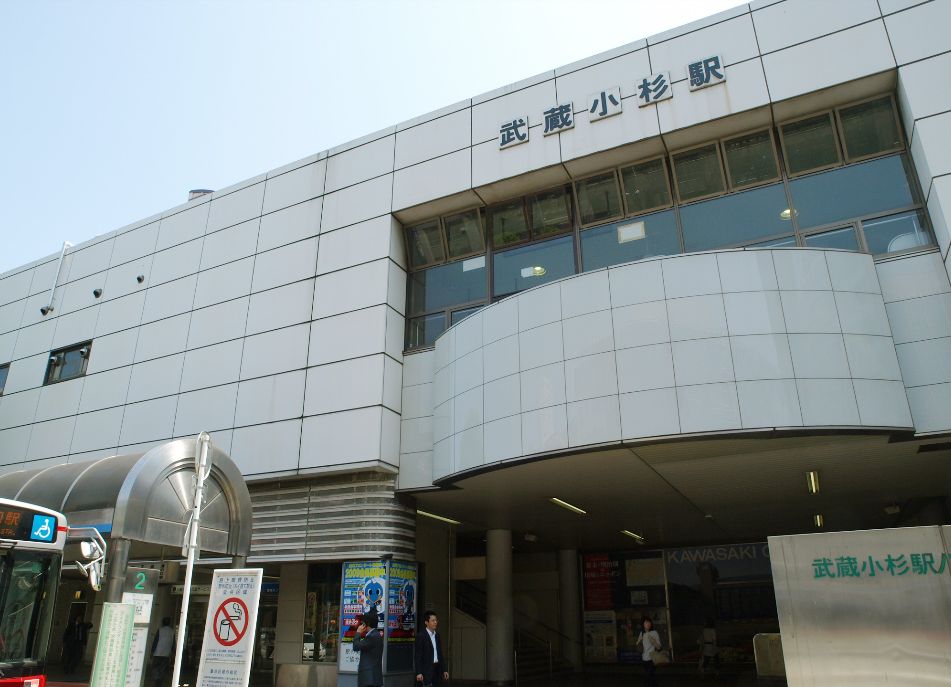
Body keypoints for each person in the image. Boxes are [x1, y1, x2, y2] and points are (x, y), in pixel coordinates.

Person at [414, 610, 449, 687]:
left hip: (437, 670)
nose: (435, 622)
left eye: (436, 620)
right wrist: (418, 672)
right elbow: (418, 656)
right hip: (426, 671)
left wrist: (444, 670)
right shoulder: (421, 636)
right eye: (433, 621)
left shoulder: (437, 636)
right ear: (426, 622)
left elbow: (440, 654)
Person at [353, 609, 383, 687]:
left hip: (370, 679)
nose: (361, 625)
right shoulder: (374, 635)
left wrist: (358, 633)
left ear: (367, 624)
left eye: (362, 623)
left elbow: (356, 646)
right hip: (371, 678)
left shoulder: (372, 636)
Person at [634, 616, 661, 687]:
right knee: (651, 677)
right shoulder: (642, 633)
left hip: (652, 659)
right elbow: (637, 644)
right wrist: (640, 640)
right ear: (643, 624)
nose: (648, 623)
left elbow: (659, 647)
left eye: (649, 622)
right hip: (644, 659)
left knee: (648, 677)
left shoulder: (654, 633)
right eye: (646, 622)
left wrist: (653, 641)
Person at [150, 618, 175, 686]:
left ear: (163, 623)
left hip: (157, 653)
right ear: (169, 623)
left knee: (155, 667)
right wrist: (173, 652)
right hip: (166, 654)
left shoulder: (160, 630)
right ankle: (160, 682)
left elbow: (155, 641)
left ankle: (156, 680)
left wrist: (152, 651)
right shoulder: (172, 631)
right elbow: (173, 643)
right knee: (163, 669)